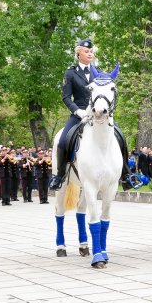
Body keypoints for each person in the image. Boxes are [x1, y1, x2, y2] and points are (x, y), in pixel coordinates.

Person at [50, 38, 138, 191]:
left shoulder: (98, 71)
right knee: (63, 141)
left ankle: (126, 175)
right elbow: (65, 97)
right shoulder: (71, 72)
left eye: (91, 51)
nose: (90, 53)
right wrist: (77, 110)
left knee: (121, 137)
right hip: (80, 114)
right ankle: (60, 175)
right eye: (86, 51)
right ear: (78, 54)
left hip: (101, 114)